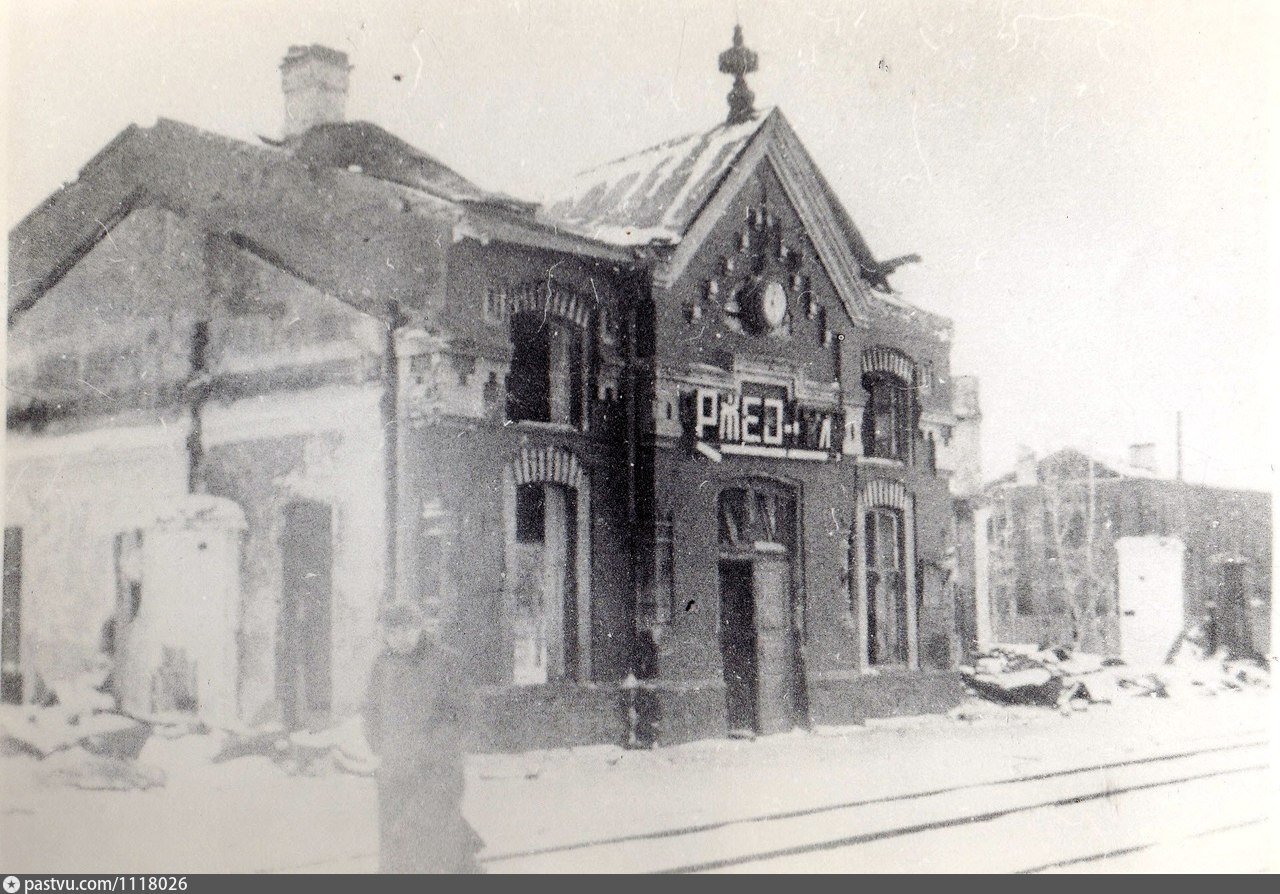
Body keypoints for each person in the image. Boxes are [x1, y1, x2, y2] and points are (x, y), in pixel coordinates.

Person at [364, 601, 481, 873]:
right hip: (394, 769)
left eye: (406, 629)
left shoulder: (445, 661)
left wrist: (434, 749)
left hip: (437, 770)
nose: (400, 637)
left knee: (429, 837)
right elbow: (370, 709)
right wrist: (379, 744)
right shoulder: (382, 664)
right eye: (392, 631)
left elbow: (462, 714)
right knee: (396, 842)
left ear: (420, 628)